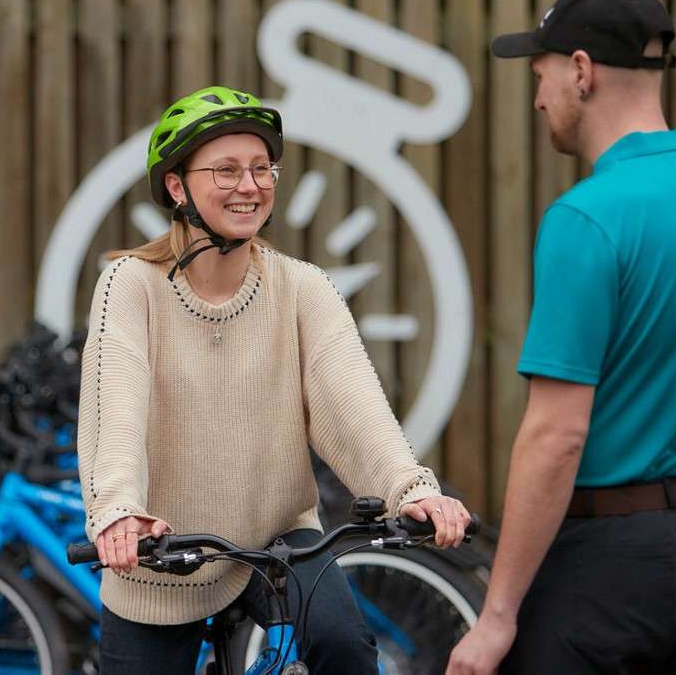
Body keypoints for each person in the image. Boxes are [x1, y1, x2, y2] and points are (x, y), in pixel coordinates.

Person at [76, 85, 471, 674]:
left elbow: (353, 405)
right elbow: (117, 400)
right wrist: (117, 510)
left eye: (263, 169)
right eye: (227, 170)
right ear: (178, 186)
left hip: (278, 543)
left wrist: (410, 489)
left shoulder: (302, 287)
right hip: (158, 558)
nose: (251, 185)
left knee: (346, 650)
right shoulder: (131, 284)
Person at [447, 0, 676, 674]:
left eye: (539, 77)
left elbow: (557, 435)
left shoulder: (588, 217)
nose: (538, 100)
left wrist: (497, 616)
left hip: (608, 571)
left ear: (580, 71)